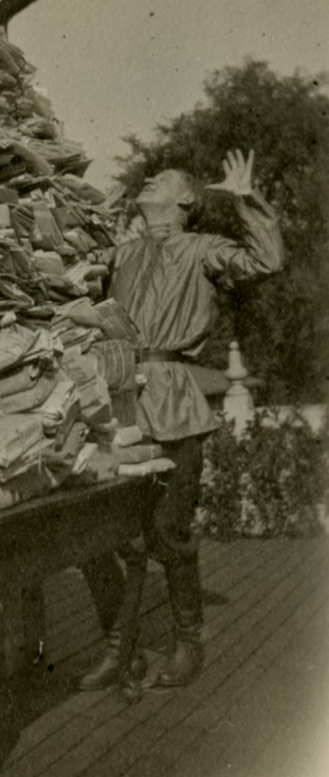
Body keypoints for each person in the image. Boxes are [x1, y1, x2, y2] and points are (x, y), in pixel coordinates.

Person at [78, 148, 284, 690]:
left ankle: (188, 641)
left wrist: (244, 200)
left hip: (173, 404)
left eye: (161, 179)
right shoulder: (121, 253)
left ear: (186, 201)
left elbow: (265, 263)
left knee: (167, 531)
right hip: (116, 404)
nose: (149, 180)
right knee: (103, 537)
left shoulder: (202, 250)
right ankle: (119, 648)